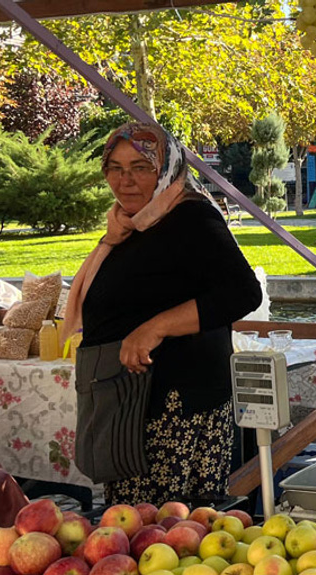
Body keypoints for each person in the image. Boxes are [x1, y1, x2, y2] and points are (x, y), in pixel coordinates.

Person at [62, 122, 262, 506]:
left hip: (174, 408)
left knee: (166, 535)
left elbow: (241, 292)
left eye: (140, 167)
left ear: (166, 168)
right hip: (134, 405)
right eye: (115, 168)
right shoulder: (130, 225)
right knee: (141, 536)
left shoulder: (190, 218)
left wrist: (155, 328)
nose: (126, 180)